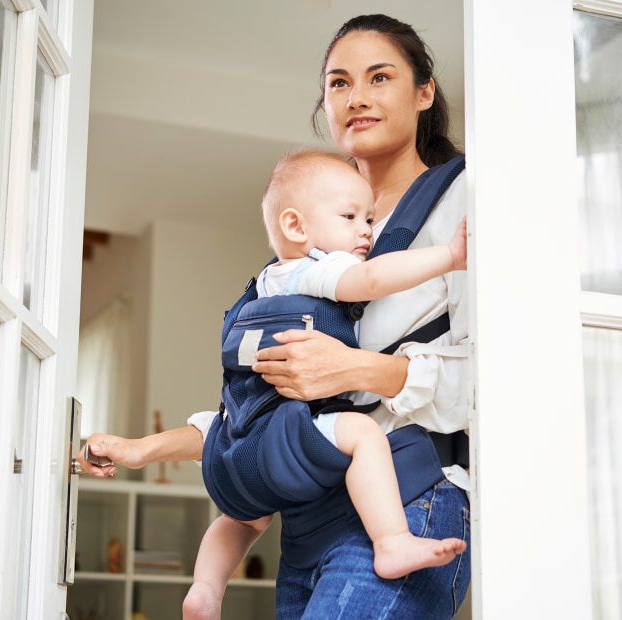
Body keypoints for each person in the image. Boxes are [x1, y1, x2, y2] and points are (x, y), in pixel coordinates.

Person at [79, 13, 471, 619]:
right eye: (339, 83)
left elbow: (488, 385)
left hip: (411, 494)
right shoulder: (302, 254)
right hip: (308, 515)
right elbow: (251, 414)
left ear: (424, 93)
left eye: (379, 77)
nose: (356, 97)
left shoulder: (467, 206)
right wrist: (141, 451)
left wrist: (354, 369)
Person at [178, 147, 467, 619]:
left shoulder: (262, 288)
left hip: (245, 440)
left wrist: (140, 449)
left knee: (242, 518)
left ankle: (206, 588)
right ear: (297, 227)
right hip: (298, 433)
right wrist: (449, 256)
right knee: (364, 434)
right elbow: (372, 279)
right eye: (351, 216)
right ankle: (392, 539)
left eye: (369, 218)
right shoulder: (317, 268)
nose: (365, 231)